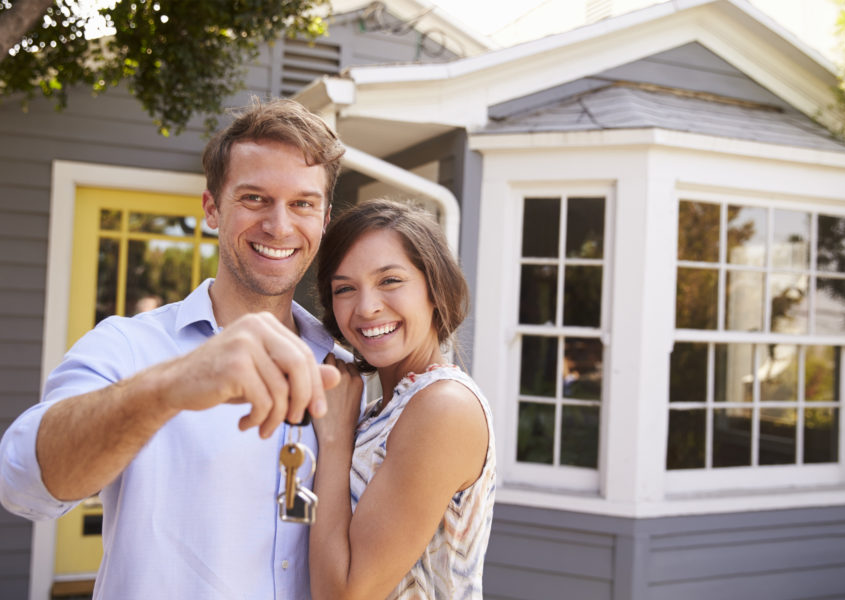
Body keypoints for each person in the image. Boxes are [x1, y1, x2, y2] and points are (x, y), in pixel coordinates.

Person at [0, 97, 356, 599]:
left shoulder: (346, 367)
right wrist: (171, 386)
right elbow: (21, 484)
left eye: (302, 203)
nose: (279, 226)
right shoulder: (129, 346)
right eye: (254, 198)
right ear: (212, 208)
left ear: (323, 219)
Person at [311, 198, 496, 599]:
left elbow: (345, 595)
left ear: (435, 288)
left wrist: (335, 438)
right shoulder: (389, 406)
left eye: (390, 280)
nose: (367, 307)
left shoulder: (443, 407)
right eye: (345, 289)